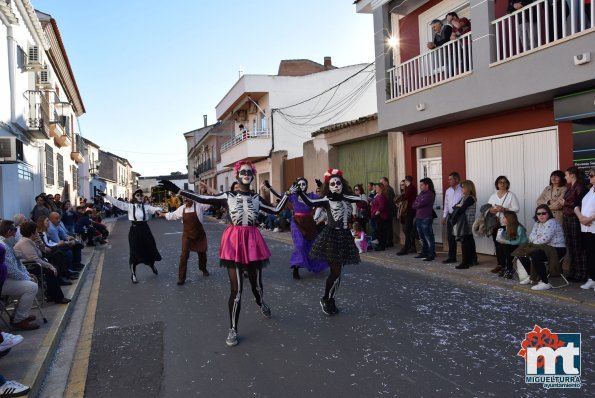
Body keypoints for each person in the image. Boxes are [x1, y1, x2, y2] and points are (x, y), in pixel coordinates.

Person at [159, 161, 289, 347]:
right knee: (236, 290)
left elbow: (276, 210)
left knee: (256, 286)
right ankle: (233, 329)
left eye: (248, 171)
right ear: (237, 175)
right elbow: (202, 199)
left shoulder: (256, 198)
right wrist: (179, 191)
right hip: (234, 241)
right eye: (242, 171)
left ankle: (260, 302)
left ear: (252, 175)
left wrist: (290, 194)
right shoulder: (227, 196)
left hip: (252, 241)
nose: (245, 174)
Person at [294, 168, 364, 316]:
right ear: (329, 186)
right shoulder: (327, 200)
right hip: (332, 237)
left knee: (338, 273)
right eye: (332, 184)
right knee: (335, 271)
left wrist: (349, 196)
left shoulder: (346, 198)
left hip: (345, 237)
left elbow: (360, 200)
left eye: (338, 183)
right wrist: (299, 192)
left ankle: (331, 299)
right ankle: (325, 298)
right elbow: (311, 201)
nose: (336, 186)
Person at [267, 178, 328, 279]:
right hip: (297, 222)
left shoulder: (311, 196)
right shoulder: (293, 196)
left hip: (309, 223)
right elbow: (279, 195)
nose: (302, 186)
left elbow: (323, 197)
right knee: (300, 244)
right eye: (300, 184)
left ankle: (313, 264)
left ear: (307, 186)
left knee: (312, 245)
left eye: (304, 184)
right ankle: (296, 267)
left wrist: (321, 186)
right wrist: (270, 187)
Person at [100, 189, 163, 283]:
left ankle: (151, 265)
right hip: (134, 230)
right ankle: (133, 275)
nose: (140, 197)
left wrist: (159, 210)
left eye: (141, 195)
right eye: (138, 195)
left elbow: (155, 209)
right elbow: (117, 203)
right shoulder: (129, 206)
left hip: (145, 230)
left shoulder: (146, 207)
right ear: (134, 197)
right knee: (134, 251)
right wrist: (106, 196)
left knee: (150, 248)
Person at [14, 221, 71, 304]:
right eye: (36, 231)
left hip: (32, 263)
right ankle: (58, 297)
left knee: (55, 264)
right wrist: (50, 266)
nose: (37, 233)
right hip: (29, 265)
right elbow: (34, 259)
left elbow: (43, 251)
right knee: (50, 270)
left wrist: (40, 242)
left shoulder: (30, 241)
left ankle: (51, 293)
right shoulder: (25, 243)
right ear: (32, 233)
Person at [514, 205, 566, 290]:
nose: (541, 215)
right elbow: (531, 237)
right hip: (542, 247)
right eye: (538, 214)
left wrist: (535, 240)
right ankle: (531, 276)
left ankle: (545, 282)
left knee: (536, 256)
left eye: (544, 213)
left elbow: (545, 239)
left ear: (548, 214)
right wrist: (536, 240)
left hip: (556, 249)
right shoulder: (537, 223)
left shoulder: (552, 222)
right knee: (521, 252)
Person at [160, 198, 211, 285]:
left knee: (202, 253)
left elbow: (210, 201)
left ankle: (203, 268)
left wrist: (206, 191)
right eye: (185, 200)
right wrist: (163, 214)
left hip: (199, 234)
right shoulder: (182, 208)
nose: (186, 201)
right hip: (187, 236)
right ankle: (181, 278)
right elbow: (173, 215)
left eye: (188, 199)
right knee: (184, 256)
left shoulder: (199, 205)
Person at [0, 221, 39, 331]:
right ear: (9, 232)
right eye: (15, 231)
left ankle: (18, 315)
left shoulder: (7, 243)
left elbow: (18, 262)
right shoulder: (3, 245)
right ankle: (19, 320)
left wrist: (27, 274)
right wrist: (27, 278)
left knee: (30, 284)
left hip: (7, 279)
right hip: (3, 281)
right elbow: (10, 270)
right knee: (31, 287)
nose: (16, 234)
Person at [558, 166, 587, 282]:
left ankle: (582, 273)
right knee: (571, 246)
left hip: (574, 219)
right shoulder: (571, 188)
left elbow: (578, 203)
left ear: (572, 175)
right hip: (568, 219)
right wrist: (563, 203)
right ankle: (575, 271)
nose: (565, 177)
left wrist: (565, 202)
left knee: (577, 246)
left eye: (566, 175)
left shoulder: (579, 187)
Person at [488, 176, 520, 274]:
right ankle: (500, 264)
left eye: (504, 182)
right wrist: (491, 210)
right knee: (497, 245)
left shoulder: (511, 195)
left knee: (505, 245)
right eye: (500, 182)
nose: (502, 184)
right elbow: (488, 207)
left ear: (507, 184)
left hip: (507, 224)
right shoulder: (493, 195)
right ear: (497, 184)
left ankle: (507, 265)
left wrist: (504, 209)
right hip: (495, 223)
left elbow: (516, 208)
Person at [451, 180, 477, 269]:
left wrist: (458, 207)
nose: (461, 188)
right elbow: (455, 206)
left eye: (463, 187)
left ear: (468, 188)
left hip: (467, 222)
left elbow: (462, 208)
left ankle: (465, 263)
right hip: (465, 222)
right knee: (469, 241)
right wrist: (458, 206)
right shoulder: (464, 197)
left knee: (465, 242)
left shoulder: (470, 198)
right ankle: (473, 260)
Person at [495, 211, 528, 279]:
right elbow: (508, 239)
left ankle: (509, 269)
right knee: (500, 247)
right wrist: (501, 235)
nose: (502, 219)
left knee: (506, 247)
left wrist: (505, 241)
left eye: (504, 218)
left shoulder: (519, 228)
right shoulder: (507, 226)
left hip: (522, 246)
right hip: (513, 245)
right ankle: (504, 267)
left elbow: (518, 241)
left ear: (510, 218)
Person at [577, 168, 595, 290]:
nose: (590, 178)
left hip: (592, 225)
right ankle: (592, 278)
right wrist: (581, 217)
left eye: (592, 175)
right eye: (590, 175)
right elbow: (576, 205)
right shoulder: (588, 190)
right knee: (590, 254)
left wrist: (590, 219)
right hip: (585, 228)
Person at [412, 178, 437, 261]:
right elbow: (414, 205)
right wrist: (417, 202)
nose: (420, 186)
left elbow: (419, 204)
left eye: (422, 185)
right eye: (420, 185)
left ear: (427, 185)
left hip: (426, 218)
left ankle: (431, 254)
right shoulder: (421, 194)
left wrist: (417, 202)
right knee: (421, 237)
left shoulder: (430, 194)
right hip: (419, 217)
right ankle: (424, 252)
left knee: (428, 237)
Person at [442, 172, 464, 264]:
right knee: (450, 237)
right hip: (451, 216)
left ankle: (468, 258)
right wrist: (444, 216)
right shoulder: (448, 191)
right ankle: (452, 257)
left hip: (460, 216)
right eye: (448, 179)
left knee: (463, 237)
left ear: (457, 179)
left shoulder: (463, 189)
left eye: (451, 179)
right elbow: (446, 204)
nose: (449, 181)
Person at [396, 176, 418, 256]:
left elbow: (405, 197)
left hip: (410, 211)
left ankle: (406, 247)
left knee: (407, 229)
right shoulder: (410, 188)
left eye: (404, 182)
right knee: (407, 229)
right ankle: (411, 247)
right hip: (408, 211)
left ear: (406, 181)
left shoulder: (411, 188)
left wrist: (398, 199)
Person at [371, 182, 390, 251]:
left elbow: (382, 206)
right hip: (377, 216)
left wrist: (377, 212)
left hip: (381, 217)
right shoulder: (377, 195)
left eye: (377, 187)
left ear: (381, 188)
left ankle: (382, 246)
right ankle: (380, 244)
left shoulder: (381, 196)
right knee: (379, 231)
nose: (375, 188)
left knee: (381, 231)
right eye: (375, 187)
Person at [380, 177, 396, 247]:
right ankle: (388, 241)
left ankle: (389, 241)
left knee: (388, 227)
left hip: (388, 211)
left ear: (386, 182)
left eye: (382, 182)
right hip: (387, 211)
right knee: (386, 227)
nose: (381, 184)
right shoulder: (385, 189)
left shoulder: (389, 190)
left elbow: (388, 201)